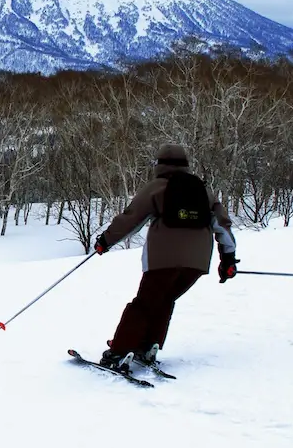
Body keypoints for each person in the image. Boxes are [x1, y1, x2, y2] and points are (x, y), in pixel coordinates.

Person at [92, 144, 237, 372]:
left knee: (144, 303)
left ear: (159, 165)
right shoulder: (202, 190)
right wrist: (228, 258)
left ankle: (119, 351)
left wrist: (106, 241)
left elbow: (132, 218)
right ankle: (148, 345)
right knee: (164, 300)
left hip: (163, 260)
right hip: (196, 263)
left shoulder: (157, 188)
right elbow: (222, 225)